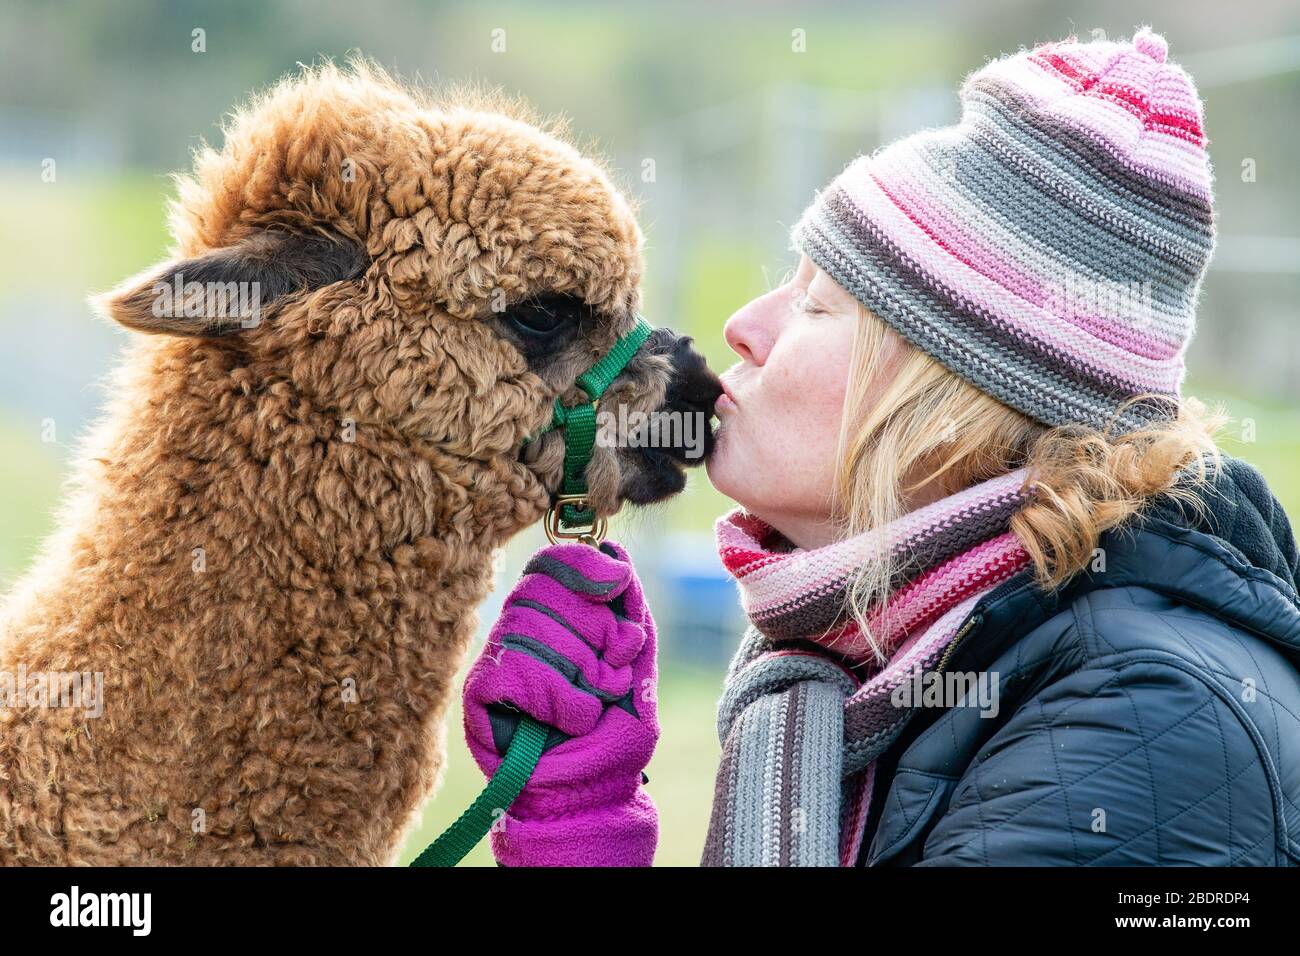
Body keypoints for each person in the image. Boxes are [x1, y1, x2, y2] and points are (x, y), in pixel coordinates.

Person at [460, 27, 1300, 867]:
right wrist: (582, 821)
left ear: (950, 401)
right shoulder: (863, 671)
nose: (743, 328)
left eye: (819, 305)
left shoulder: (1144, 729)